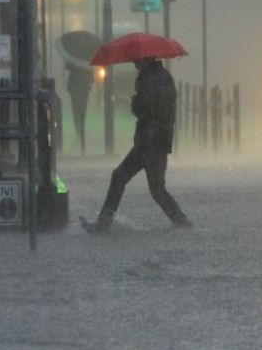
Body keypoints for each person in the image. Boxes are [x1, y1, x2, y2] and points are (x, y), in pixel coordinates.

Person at [80, 56, 192, 232]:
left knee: (154, 188)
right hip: (150, 141)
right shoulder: (158, 77)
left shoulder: (152, 79)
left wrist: (136, 104)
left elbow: (152, 110)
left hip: (152, 142)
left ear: (146, 59)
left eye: (137, 59)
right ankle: (181, 222)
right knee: (125, 179)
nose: (134, 62)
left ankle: (183, 222)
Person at [66, 61, 94, 154]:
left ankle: (79, 133)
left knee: (78, 112)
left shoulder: (75, 55)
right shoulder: (85, 57)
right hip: (82, 86)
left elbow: (68, 66)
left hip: (78, 86)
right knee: (79, 113)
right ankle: (80, 134)